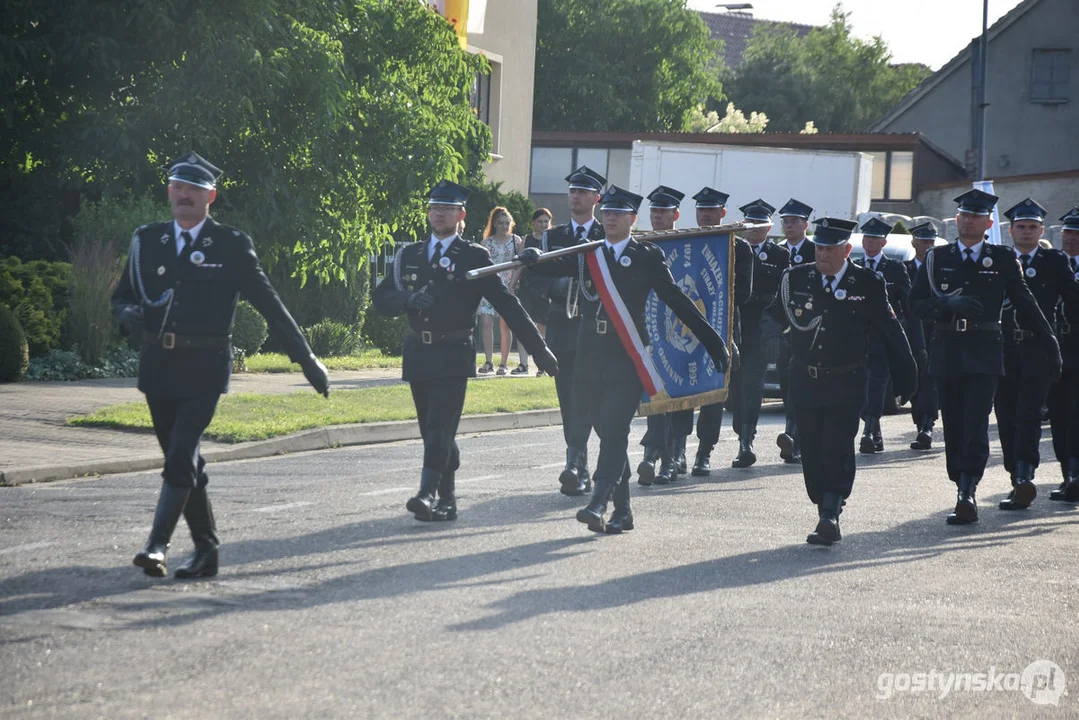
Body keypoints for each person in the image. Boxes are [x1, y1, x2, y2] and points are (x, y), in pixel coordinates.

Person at [112, 151, 331, 579]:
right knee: (184, 460)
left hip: (204, 367)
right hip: (158, 365)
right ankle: (207, 550)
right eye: (178, 186)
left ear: (210, 196)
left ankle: (157, 545)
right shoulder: (148, 239)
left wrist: (307, 359)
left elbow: (270, 303)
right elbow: (122, 294)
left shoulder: (229, 244)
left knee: (179, 453)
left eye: (194, 189)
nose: (184, 195)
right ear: (169, 191)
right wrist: (126, 315)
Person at [520, 186, 730, 533]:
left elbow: (676, 299)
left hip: (626, 356)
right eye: (608, 213)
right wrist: (531, 256)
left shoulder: (646, 256)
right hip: (589, 354)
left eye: (619, 213)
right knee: (605, 434)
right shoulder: (587, 253)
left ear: (633, 219)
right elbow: (546, 268)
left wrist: (712, 341)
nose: (611, 218)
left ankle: (599, 501)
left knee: (615, 430)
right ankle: (624, 510)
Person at [372, 180, 558, 522]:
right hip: (418, 350)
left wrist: (539, 349)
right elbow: (381, 298)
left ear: (461, 215)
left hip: (453, 352)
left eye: (446, 208)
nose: (438, 213)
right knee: (432, 429)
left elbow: (508, 304)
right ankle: (448, 497)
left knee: (441, 426)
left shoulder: (473, 255)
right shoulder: (409, 254)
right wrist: (407, 300)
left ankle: (427, 493)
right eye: (434, 208)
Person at [910, 189, 1060, 525]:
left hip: (985, 351)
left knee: (976, 421)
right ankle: (960, 483)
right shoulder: (938, 258)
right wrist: (945, 305)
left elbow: (1024, 301)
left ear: (988, 223)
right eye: (963, 215)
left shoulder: (1003, 258)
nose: (967, 221)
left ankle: (967, 491)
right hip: (947, 349)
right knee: (954, 422)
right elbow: (914, 304)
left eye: (975, 216)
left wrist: (1049, 339)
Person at [774, 217, 916, 545]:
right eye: (819, 247)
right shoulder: (795, 278)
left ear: (846, 250)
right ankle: (822, 501)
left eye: (829, 249)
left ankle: (831, 512)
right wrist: (771, 336)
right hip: (806, 379)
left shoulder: (866, 282)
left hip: (846, 380)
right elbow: (776, 314)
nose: (821, 254)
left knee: (838, 445)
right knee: (810, 447)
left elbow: (889, 327)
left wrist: (908, 371)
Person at [994, 198, 1079, 510]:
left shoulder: (1054, 261)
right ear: (1011, 230)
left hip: (1040, 349)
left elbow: (1072, 301)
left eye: (1032, 227)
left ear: (1042, 230)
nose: (1027, 232)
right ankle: (1016, 474)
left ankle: (1024, 477)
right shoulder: (998, 259)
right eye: (1021, 227)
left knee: (1029, 415)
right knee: (1005, 416)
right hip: (1003, 349)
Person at [528, 166, 606, 496]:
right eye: (572, 191)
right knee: (567, 397)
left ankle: (583, 463)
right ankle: (577, 464)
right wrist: (557, 289)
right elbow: (536, 283)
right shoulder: (554, 237)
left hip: (596, 329)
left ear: (596, 198)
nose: (575, 196)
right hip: (562, 326)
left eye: (583, 192)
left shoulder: (607, 233)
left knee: (589, 396)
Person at [665, 187, 751, 478]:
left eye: (711, 210)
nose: (705, 215)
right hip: (686, 329)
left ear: (723, 213)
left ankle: (704, 452)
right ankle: (678, 450)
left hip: (722, 325)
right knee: (682, 388)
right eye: (701, 210)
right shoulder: (684, 240)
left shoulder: (741, 247)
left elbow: (744, 294)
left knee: (714, 394)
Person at [730, 199, 789, 468]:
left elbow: (781, 296)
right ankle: (740, 430)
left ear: (769, 228)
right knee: (735, 389)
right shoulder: (731, 250)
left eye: (760, 226)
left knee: (752, 385)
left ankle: (746, 441)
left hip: (758, 330)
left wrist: (774, 330)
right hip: (731, 328)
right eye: (750, 225)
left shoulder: (780, 256)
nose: (754, 231)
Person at [855, 217, 918, 454]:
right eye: (867, 237)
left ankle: (869, 430)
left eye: (875, 238)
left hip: (883, 337)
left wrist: (912, 339)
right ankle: (875, 429)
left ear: (883, 242)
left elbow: (908, 304)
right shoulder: (856, 267)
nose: (870, 241)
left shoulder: (894, 268)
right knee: (862, 385)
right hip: (858, 338)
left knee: (877, 384)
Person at [636, 185, 684, 486]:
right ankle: (661, 458)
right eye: (653, 211)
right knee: (657, 396)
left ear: (676, 215)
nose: (657, 216)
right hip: (650, 332)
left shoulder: (687, 243)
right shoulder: (640, 245)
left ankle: (664, 456)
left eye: (663, 212)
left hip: (681, 333)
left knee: (679, 399)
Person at [775, 198, 815, 464]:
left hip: (810, 331)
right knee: (787, 386)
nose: (789, 226)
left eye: (794, 222)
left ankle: (796, 439)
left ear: (805, 225)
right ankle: (792, 436)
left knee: (804, 388)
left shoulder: (815, 251)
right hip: (783, 330)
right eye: (785, 222)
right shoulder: (776, 252)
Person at [1049, 207, 1079, 502]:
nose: (1072, 238)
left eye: (1077, 233)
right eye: (1068, 232)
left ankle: (1075, 472)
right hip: (1055, 350)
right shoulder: (1053, 266)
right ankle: (1067, 474)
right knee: (1059, 414)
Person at [905, 221, 941, 450]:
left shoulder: (940, 268)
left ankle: (927, 425)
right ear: (914, 243)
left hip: (936, 330)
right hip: (910, 331)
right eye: (923, 241)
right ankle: (920, 420)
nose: (927, 245)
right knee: (914, 378)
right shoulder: (905, 269)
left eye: (931, 241)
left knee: (931, 378)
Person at [476, 207, 524, 375]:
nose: (504, 226)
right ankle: (488, 361)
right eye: (501, 223)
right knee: (487, 323)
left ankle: (503, 363)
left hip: (507, 285)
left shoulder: (516, 241)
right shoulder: (486, 242)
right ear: (494, 224)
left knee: (506, 325)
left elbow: (520, 264)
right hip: (490, 284)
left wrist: (512, 284)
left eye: (507, 223)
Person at [510, 208, 554, 375]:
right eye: (540, 221)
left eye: (546, 221)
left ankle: (544, 364)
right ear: (533, 223)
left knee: (543, 325)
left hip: (546, 288)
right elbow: (518, 265)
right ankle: (523, 364)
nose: (543, 225)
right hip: (528, 286)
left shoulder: (552, 239)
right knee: (524, 324)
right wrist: (511, 286)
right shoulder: (526, 240)